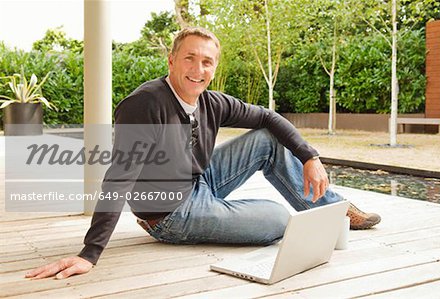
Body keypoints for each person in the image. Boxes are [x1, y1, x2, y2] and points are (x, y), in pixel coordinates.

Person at [25, 27, 380, 280]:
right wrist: (90, 253)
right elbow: (119, 177)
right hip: (171, 212)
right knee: (275, 218)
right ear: (172, 60)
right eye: (190, 59)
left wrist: (310, 156)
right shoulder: (145, 104)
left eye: (207, 62)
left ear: (214, 67)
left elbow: (269, 117)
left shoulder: (211, 101)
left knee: (267, 139)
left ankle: (334, 212)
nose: (198, 70)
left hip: (200, 181)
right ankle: (302, 220)